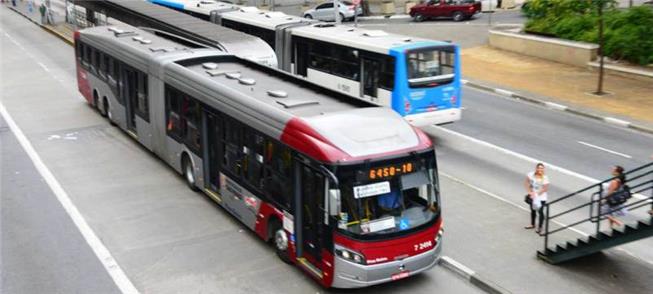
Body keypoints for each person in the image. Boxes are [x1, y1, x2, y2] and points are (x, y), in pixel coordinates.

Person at [524, 163, 549, 234]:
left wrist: (536, 195)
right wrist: (530, 192)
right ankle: (532, 224)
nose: (540, 169)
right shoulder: (531, 174)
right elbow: (526, 183)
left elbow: (545, 188)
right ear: (536, 168)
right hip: (533, 196)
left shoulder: (545, 177)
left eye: (542, 168)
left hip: (541, 198)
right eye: (539, 168)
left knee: (540, 212)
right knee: (532, 210)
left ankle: (540, 227)